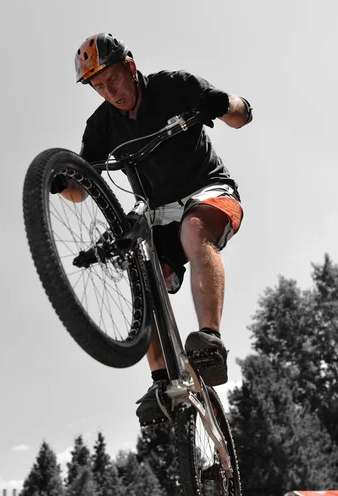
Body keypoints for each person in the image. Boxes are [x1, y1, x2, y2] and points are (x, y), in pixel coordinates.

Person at [53, 32, 253, 426]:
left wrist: (223, 103)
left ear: (130, 67)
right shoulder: (102, 126)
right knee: (145, 272)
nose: (111, 93)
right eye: (99, 88)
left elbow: (241, 114)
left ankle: (209, 342)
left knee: (194, 230)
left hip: (207, 189)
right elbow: (82, 188)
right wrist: (63, 183)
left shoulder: (174, 86)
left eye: (114, 81)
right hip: (158, 212)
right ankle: (163, 380)